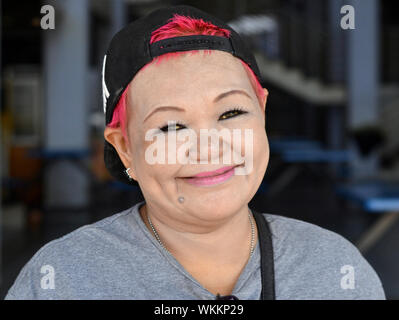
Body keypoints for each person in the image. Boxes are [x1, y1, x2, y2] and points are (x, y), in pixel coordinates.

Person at [5, 5, 385, 300]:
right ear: (124, 149)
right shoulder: (62, 279)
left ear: (262, 113)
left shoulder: (335, 270)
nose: (208, 145)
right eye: (171, 126)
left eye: (231, 112)